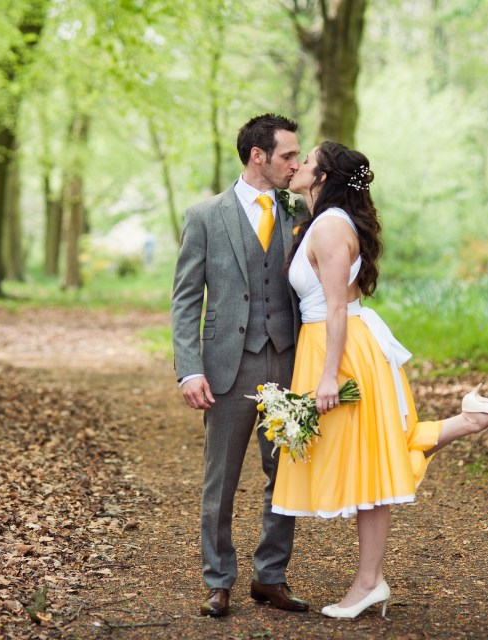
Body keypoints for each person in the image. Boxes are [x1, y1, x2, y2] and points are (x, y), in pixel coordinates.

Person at [272, 141, 488, 619]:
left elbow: (334, 309)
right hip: (338, 346)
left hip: (341, 352)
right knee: (372, 458)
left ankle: (368, 582)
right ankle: (474, 418)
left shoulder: (328, 228)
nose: (298, 165)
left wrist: (328, 378)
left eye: (306, 161)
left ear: (323, 178)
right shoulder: (322, 222)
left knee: (369, 464)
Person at [171, 114, 311, 617]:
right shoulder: (205, 216)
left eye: (298, 155)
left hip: (288, 360)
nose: (296, 163)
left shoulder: (300, 211)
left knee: (287, 476)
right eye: (288, 155)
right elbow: (187, 298)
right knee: (221, 478)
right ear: (258, 156)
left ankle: (269, 577)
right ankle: (219, 579)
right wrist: (189, 368)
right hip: (227, 365)